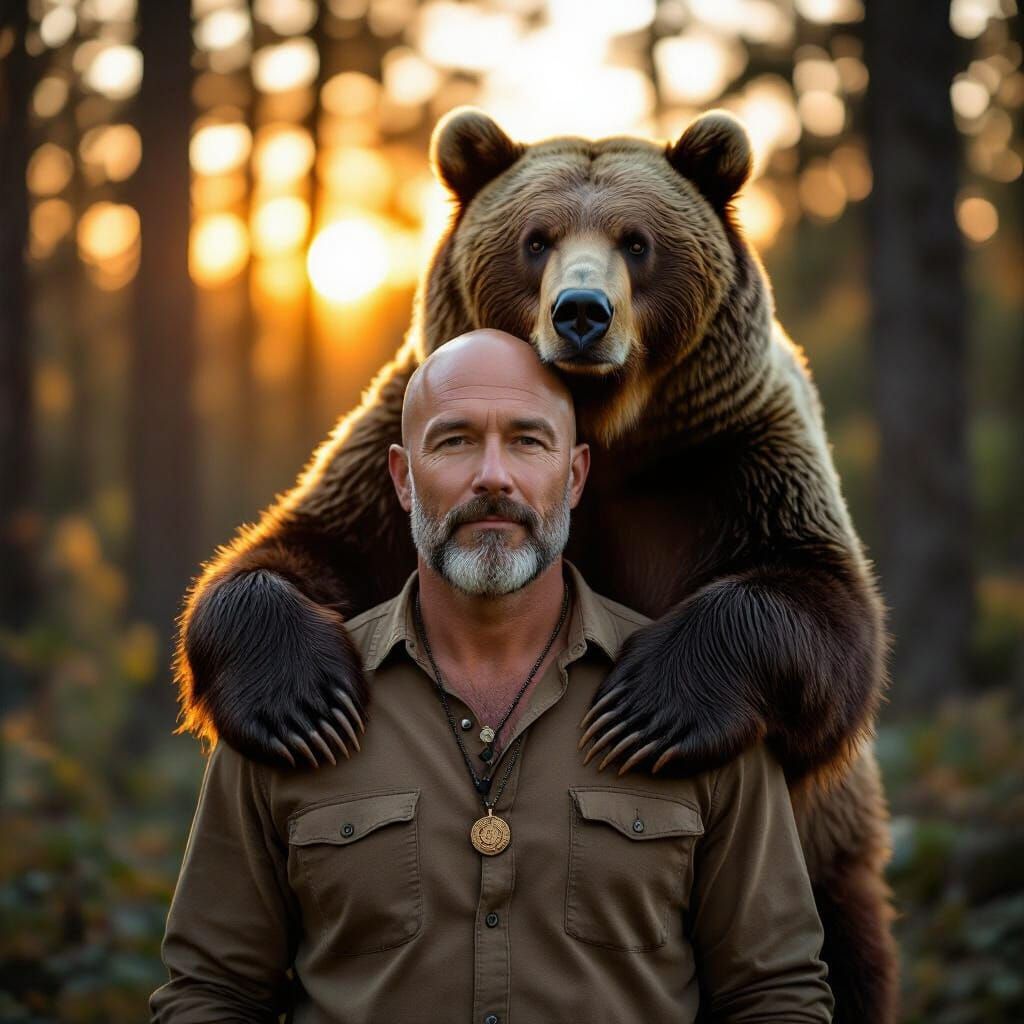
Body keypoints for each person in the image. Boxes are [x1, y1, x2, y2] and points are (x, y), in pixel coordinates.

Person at [150, 329, 835, 1023]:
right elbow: (213, 992)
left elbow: (773, 994)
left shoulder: (703, 692)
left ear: (575, 476)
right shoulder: (289, 687)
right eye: (455, 441)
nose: (493, 477)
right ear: (401, 477)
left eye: (528, 441)